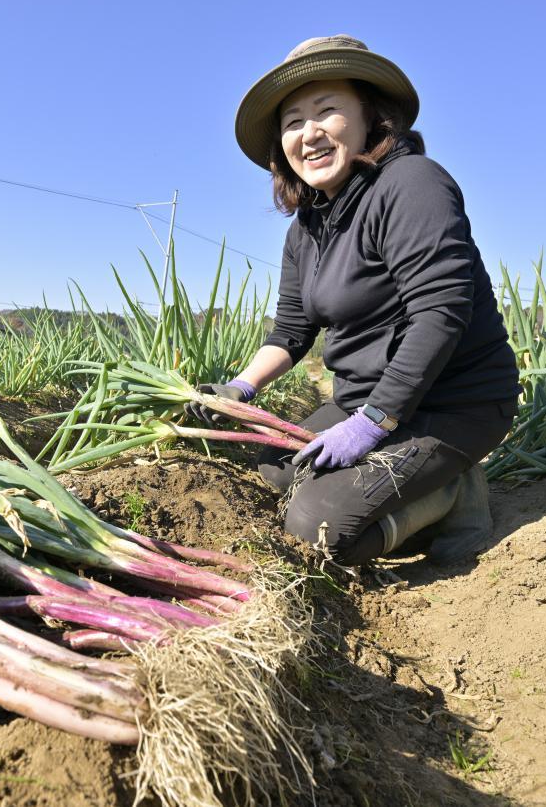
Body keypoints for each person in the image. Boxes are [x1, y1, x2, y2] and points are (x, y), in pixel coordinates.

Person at [190, 35, 520, 566]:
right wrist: (239, 387)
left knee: (313, 530)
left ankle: (454, 494)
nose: (309, 132)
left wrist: (374, 422)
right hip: (361, 402)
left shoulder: (412, 183)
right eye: (293, 121)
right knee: (273, 473)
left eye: (327, 111)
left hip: (451, 405)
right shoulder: (308, 225)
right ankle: (411, 479)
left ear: (371, 117)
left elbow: (441, 311)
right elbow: (291, 332)